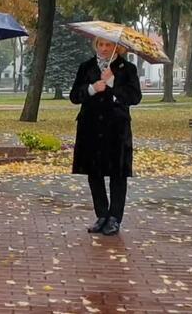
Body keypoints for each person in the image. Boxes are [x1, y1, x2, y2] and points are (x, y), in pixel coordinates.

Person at [69, 38, 141, 236]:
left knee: (118, 174)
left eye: (108, 45)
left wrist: (111, 83)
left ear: (116, 47)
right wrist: (92, 88)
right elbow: (75, 96)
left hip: (116, 129)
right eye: (100, 44)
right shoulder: (86, 67)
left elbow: (135, 97)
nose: (103, 48)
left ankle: (114, 218)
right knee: (94, 173)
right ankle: (102, 215)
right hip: (91, 128)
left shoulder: (127, 69)